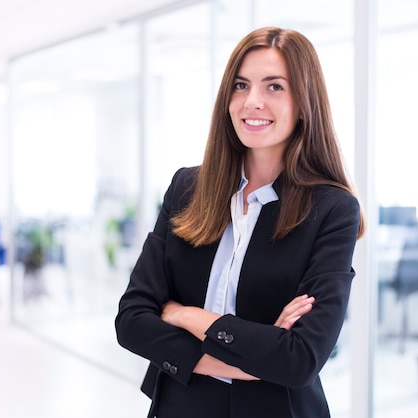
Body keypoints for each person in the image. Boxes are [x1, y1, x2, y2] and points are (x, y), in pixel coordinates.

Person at [115, 26, 366, 418]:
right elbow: (131, 319)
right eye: (241, 85)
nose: (252, 102)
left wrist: (185, 315)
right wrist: (243, 360)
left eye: (274, 87)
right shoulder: (187, 188)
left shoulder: (332, 210)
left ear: (304, 100)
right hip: (179, 404)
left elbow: (299, 359)